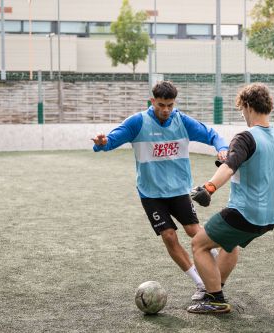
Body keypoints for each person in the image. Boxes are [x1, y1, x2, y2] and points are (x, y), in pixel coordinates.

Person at [91, 81, 228, 301]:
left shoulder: (182, 121)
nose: (165, 110)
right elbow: (110, 140)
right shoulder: (138, 122)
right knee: (169, 236)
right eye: (161, 105)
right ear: (152, 101)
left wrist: (222, 148)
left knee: (194, 230)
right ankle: (201, 283)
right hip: (151, 194)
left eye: (170, 105)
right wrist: (102, 142)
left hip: (179, 190)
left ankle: (215, 266)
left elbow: (212, 134)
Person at [186, 83, 274, 314]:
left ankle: (215, 299)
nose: (242, 114)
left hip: (243, 213)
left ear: (246, 106)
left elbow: (229, 167)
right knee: (229, 244)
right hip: (268, 219)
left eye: (241, 109)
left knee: (199, 245)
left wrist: (209, 188)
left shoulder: (245, 137)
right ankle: (215, 288)